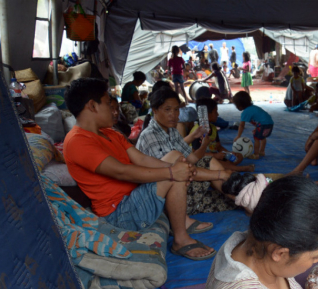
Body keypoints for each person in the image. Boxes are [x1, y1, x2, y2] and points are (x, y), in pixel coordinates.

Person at [63, 78, 215, 260]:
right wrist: (172, 172)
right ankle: (181, 240)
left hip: (134, 198)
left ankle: (182, 223)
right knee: (173, 175)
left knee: (176, 161)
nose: (113, 109)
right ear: (92, 106)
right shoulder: (77, 141)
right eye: (106, 103)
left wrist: (180, 168)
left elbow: (141, 159)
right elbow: (122, 171)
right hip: (119, 213)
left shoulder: (110, 133)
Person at [136, 89, 236, 218]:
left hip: (180, 183)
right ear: (155, 110)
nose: (173, 114)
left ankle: (242, 199)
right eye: (167, 109)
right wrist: (221, 174)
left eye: (176, 109)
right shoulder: (150, 136)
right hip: (164, 198)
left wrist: (204, 143)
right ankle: (243, 199)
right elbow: (178, 172)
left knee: (211, 166)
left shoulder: (171, 131)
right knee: (225, 194)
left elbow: (193, 158)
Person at [189, 98, 254, 172]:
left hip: (215, 156)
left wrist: (229, 153)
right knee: (213, 161)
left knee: (239, 156)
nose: (218, 114)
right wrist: (214, 156)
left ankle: (227, 166)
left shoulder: (213, 128)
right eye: (215, 112)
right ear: (207, 114)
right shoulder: (197, 132)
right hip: (202, 159)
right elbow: (195, 155)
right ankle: (239, 169)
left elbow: (219, 147)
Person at [233, 91, 273, 160]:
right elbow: (260, 118)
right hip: (270, 123)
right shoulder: (253, 107)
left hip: (263, 124)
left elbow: (241, 125)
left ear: (239, 106)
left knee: (256, 138)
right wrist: (257, 127)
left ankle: (256, 154)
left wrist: (238, 136)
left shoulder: (245, 112)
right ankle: (262, 151)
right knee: (263, 137)